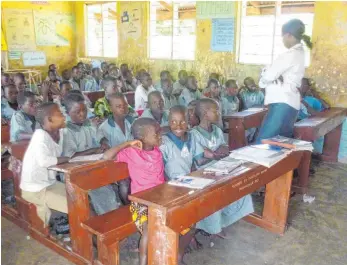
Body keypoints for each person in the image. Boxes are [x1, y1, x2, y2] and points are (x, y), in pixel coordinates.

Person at [103, 118, 193, 265]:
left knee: (189, 224)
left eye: (159, 132)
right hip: (141, 203)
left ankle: (176, 256)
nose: (160, 135)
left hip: (161, 199)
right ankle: (143, 262)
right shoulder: (131, 152)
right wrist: (129, 143)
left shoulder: (157, 150)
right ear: (142, 138)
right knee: (149, 228)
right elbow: (106, 156)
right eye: (156, 133)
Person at [190, 98, 254, 237]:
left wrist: (216, 153)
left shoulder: (217, 131)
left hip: (220, 167)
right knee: (215, 191)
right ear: (206, 114)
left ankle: (227, 217)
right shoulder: (194, 134)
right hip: (203, 172)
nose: (219, 113)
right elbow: (199, 160)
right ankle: (213, 226)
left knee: (240, 181)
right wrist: (215, 154)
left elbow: (223, 148)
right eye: (216, 110)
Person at [257, 19, 313, 143]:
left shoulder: (289, 55)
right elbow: (273, 74)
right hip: (291, 103)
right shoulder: (300, 53)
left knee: (263, 144)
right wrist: (273, 73)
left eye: (283, 37)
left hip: (281, 104)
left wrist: (265, 71)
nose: (283, 40)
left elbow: (268, 77)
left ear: (289, 35)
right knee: (280, 144)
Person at [20, 102, 69, 225]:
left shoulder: (60, 133)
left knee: (79, 198)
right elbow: (44, 161)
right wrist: (66, 159)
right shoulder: (39, 135)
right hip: (35, 189)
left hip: (49, 183)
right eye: (60, 114)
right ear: (50, 119)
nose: (64, 116)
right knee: (74, 205)